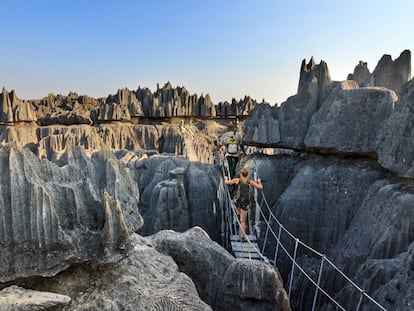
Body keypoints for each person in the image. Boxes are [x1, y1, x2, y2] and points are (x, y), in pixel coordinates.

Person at [224, 167, 263, 241]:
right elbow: (260, 187)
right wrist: (259, 181)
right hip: (245, 203)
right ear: (247, 174)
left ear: (241, 174)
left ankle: (238, 215)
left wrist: (226, 178)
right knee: (243, 221)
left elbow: (227, 183)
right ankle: (243, 236)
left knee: (236, 208)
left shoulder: (237, 180)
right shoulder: (249, 181)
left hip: (238, 201)